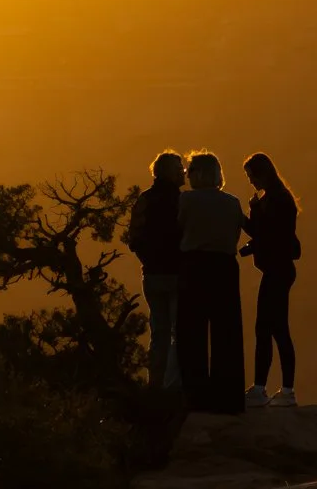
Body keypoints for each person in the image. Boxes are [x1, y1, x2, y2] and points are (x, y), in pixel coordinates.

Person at [176, 151, 247, 414]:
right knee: (227, 332)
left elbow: (179, 229)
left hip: (194, 266)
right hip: (226, 268)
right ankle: (228, 397)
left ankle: (196, 397)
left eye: (190, 171)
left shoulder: (187, 200)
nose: (187, 176)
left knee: (191, 332)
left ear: (200, 173)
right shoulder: (233, 202)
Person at [241, 152, 300, 408]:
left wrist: (247, 215)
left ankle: (271, 390)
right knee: (272, 329)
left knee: (271, 329)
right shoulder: (278, 198)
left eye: (251, 176)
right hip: (280, 270)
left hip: (277, 271)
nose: (251, 182)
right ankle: (275, 389)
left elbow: (264, 233)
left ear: (261, 173)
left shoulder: (275, 201)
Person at [125, 152, 186, 390]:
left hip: (152, 275)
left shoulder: (145, 200)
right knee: (179, 333)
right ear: (170, 172)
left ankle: (156, 385)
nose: (184, 172)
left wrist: (149, 260)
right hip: (177, 275)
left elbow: (134, 239)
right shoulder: (182, 202)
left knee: (158, 332)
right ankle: (175, 387)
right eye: (180, 168)